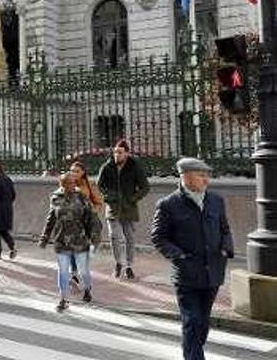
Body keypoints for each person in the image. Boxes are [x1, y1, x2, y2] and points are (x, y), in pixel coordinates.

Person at [151, 158, 233, 360]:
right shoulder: (168, 204)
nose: (206, 180)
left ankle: (193, 351)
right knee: (192, 320)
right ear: (185, 177)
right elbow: (158, 237)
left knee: (202, 322)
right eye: (201, 175)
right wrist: (178, 255)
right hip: (187, 273)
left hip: (213, 271)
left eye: (207, 175)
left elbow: (224, 229)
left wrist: (226, 248)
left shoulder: (216, 200)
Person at [39, 172, 101, 311]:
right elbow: (51, 219)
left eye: (74, 182)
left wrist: (94, 237)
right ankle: (63, 299)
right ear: (62, 184)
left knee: (83, 271)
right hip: (61, 240)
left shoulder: (81, 197)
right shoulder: (55, 198)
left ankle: (87, 289)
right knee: (63, 271)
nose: (73, 185)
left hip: (80, 239)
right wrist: (45, 237)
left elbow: (91, 218)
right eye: (70, 183)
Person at [97, 139, 150, 280]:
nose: (116, 155)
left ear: (127, 153)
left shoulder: (135, 166)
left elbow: (145, 187)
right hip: (113, 207)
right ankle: (118, 263)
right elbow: (99, 185)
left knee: (130, 238)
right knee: (114, 236)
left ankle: (129, 266)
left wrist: (133, 198)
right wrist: (109, 196)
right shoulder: (107, 167)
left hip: (129, 208)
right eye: (115, 152)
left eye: (120, 152)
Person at [0, 162, 17, 259]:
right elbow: (13, 195)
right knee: (3, 230)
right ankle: (12, 247)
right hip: (7, 208)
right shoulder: (8, 179)